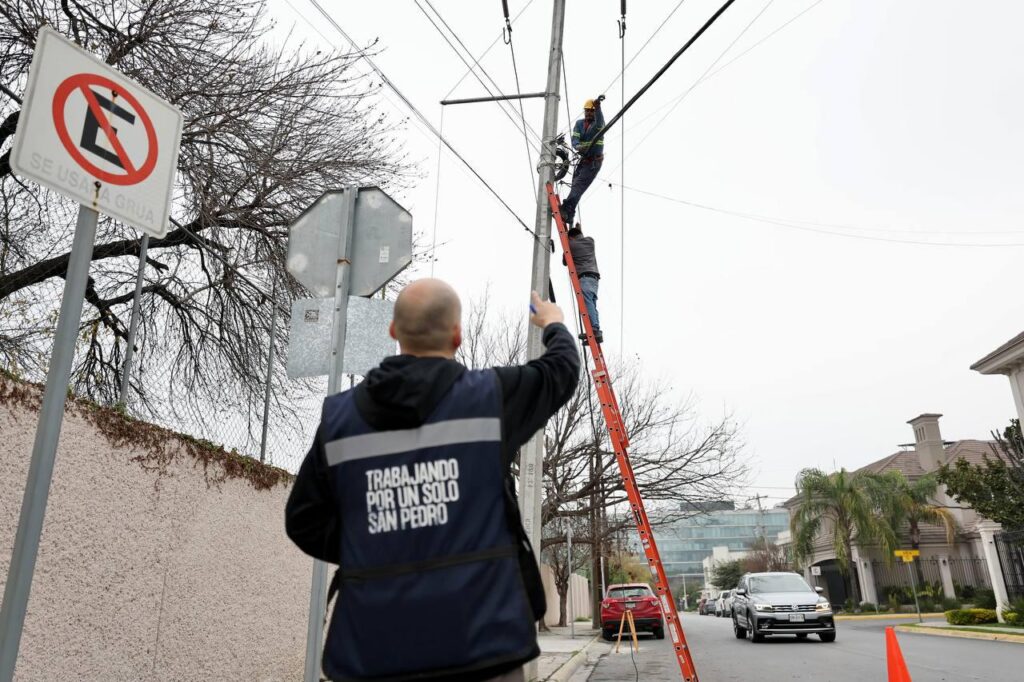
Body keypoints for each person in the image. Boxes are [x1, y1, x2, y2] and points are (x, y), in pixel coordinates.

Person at [285, 280, 580, 682]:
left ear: (393, 332)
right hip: (483, 647)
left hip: (372, 651)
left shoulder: (340, 419)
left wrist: (379, 542)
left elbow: (304, 520)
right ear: (457, 335)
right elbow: (560, 369)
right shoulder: (490, 399)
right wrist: (553, 323)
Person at [560, 96, 605, 228]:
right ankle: (570, 214)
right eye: (587, 111)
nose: (589, 113)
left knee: (578, 186)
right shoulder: (579, 124)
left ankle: (566, 207)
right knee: (575, 185)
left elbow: (599, 123)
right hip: (584, 161)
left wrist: (598, 107)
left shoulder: (598, 125)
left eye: (591, 111)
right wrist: (578, 146)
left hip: (593, 163)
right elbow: (575, 138)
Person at [562, 223, 602, 344]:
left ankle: (594, 330)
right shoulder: (590, 241)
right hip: (594, 278)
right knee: (592, 303)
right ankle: (596, 331)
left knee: (588, 303)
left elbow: (565, 261)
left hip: (584, 277)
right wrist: (577, 231)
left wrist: (566, 240)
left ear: (571, 238)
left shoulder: (571, 245)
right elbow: (580, 238)